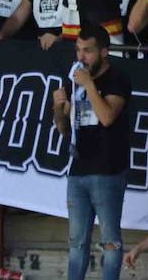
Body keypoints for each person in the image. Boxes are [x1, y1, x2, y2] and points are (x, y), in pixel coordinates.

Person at [53, 21, 132, 280]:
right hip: (77, 170)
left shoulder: (117, 78)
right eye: (78, 50)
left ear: (104, 51)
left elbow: (108, 117)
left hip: (107, 170)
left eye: (87, 50)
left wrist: (89, 85)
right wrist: (58, 107)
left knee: (110, 241)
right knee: (76, 241)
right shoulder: (76, 78)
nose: (81, 57)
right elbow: (65, 130)